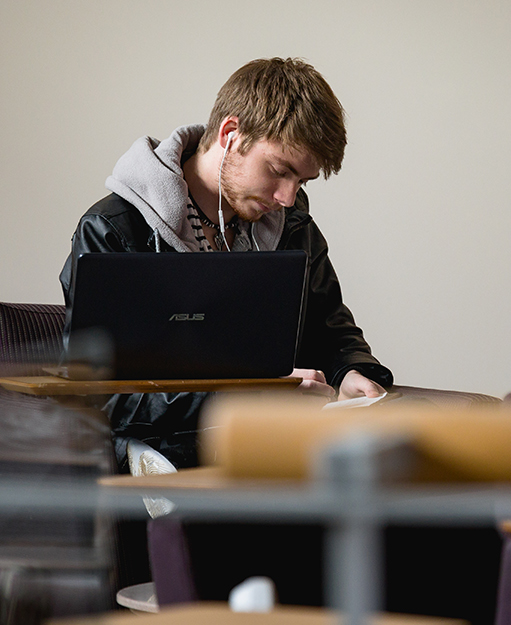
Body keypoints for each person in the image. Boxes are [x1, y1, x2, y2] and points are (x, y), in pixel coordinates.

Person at [59, 58, 392, 469]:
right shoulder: (114, 229)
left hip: (274, 442)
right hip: (172, 443)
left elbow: (332, 329)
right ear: (231, 134)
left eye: (301, 182)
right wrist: (251, 393)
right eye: (278, 171)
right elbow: (97, 394)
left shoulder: (294, 227)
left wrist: (351, 373)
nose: (287, 197)